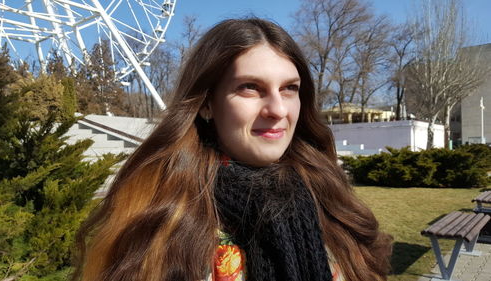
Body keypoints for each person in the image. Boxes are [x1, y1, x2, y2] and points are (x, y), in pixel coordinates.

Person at [72, 18, 392, 281]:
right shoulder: (158, 218)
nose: (278, 109)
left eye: (289, 88)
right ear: (207, 103)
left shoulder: (328, 196)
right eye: (250, 88)